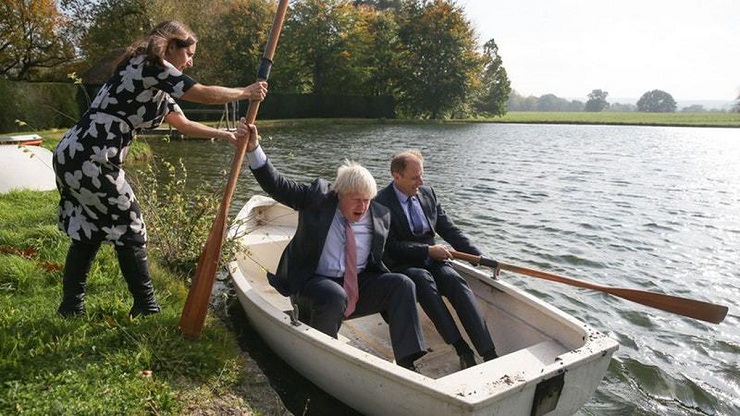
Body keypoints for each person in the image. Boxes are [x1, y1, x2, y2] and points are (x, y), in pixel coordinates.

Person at [53, 21, 268, 318]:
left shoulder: (153, 80)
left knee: (89, 229)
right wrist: (245, 92)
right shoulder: (150, 65)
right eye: (189, 54)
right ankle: (146, 307)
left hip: (75, 153)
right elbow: (202, 92)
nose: (190, 62)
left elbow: (184, 124)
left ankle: (70, 308)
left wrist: (226, 135)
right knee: (131, 225)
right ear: (171, 46)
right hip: (92, 157)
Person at [239, 122, 427, 371]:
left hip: (356, 286)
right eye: (357, 200)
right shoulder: (317, 198)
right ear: (340, 194)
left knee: (403, 284)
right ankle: (324, 359)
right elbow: (277, 185)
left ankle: (407, 363)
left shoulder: (380, 214)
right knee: (333, 295)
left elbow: (388, 253)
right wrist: (254, 148)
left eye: (367, 200)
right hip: (313, 285)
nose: (363, 207)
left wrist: (427, 257)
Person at [375, 149, 498, 370]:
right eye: (415, 178)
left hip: (432, 259)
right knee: (423, 281)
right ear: (397, 176)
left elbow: (450, 230)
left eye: (422, 175)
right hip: (402, 264)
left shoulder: (427, 193)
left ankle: (489, 353)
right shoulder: (380, 202)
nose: (421, 182)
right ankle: (461, 348)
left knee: (456, 282)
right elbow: (389, 246)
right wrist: (427, 251)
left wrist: (479, 258)